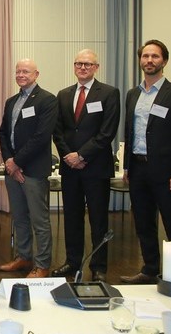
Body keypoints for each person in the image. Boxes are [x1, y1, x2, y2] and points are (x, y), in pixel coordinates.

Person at [120, 39, 171, 284]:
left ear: (164, 61)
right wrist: (128, 166)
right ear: (140, 60)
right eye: (145, 56)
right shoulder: (133, 94)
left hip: (166, 172)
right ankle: (150, 269)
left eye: (155, 56)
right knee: (143, 222)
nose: (149, 60)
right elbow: (129, 132)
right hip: (138, 169)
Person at [51, 49, 120, 282]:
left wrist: (82, 155)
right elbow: (57, 131)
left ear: (96, 68)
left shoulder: (109, 93)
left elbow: (107, 131)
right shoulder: (63, 94)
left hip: (96, 167)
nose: (83, 67)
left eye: (88, 64)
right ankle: (72, 261)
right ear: (74, 66)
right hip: (70, 168)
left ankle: (99, 267)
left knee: (98, 219)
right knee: (72, 216)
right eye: (79, 63)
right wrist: (68, 155)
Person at [0, 59, 58, 278]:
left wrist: (17, 162)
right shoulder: (11, 101)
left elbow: (41, 137)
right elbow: (3, 133)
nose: (21, 74)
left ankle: (42, 265)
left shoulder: (47, 100)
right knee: (19, 217)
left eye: (26, 71)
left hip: (33, 170)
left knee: (39, 220)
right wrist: (9, 161)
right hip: (12, 169)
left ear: (36, 73)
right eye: (18, 71)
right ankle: (23, 257)